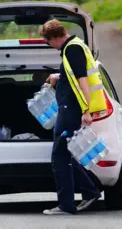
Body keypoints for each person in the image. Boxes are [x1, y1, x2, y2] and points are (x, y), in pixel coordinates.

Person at [39, 19, 107, 215]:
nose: (49, 46)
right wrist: (58, 76)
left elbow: (82, 80)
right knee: (65, 153)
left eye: (48, 42)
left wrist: (85, 110)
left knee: (59, 156)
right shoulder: (76, 46)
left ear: (55, 37)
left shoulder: (72, 49)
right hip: (70, 108)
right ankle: (90, 191)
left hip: (72, 109)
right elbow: (75, 73)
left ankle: (66, 205)